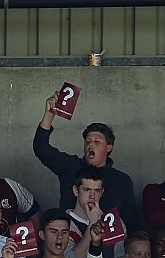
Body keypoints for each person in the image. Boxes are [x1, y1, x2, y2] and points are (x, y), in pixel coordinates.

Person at [33, 92, 139, 230]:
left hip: (107, 246)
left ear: (109, 147)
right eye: (88, 141)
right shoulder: (71, 167)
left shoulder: (121, 181)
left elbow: (132, 223)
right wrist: (48, 115)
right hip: (70, 241)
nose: (91, 145)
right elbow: (41, 149)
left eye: (97, 142)